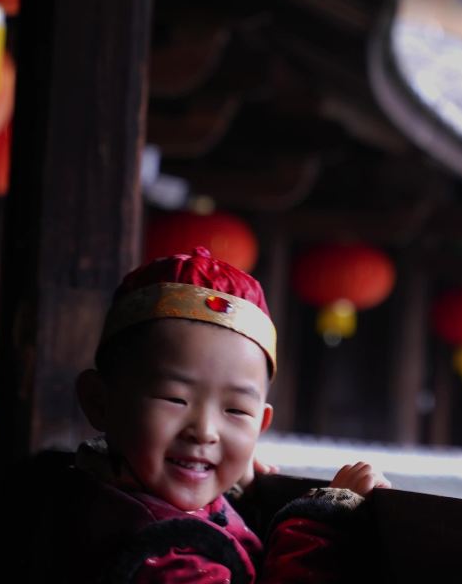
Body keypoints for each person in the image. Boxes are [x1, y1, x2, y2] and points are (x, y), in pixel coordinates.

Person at [61, 245, 390, 582]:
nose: (205, 431)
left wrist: (230, 492)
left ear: (260, 426)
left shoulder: (94, 486)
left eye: (234, 410)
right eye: (175, 399)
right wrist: (320, 525)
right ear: (100, 402)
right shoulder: (162, 552)